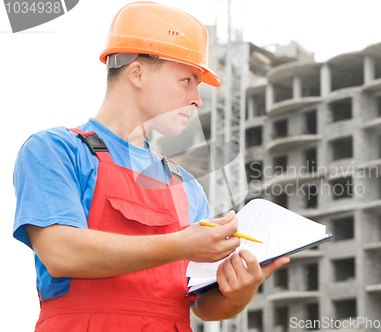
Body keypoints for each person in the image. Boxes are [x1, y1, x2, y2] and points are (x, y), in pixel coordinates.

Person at [12, 2, 289, 331]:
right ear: (137, 73)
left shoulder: (185, 185)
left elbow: (203, 304)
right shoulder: (57, 150)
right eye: (187, 80)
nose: (197, 99)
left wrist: (239, 291)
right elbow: (61, 253)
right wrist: (182, 245)